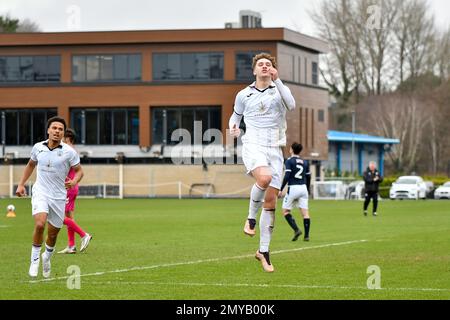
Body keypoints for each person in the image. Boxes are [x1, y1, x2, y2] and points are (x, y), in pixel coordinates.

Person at [229, 52, 296, 272]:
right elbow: (235, 116)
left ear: (273, 69)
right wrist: (233, 128)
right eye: (261, 64)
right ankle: (250, 219)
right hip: (253, 144)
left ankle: (263, 252)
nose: (265, 67)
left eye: (269, 64)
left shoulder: (279, 91)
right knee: (264, 178)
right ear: (254, 70)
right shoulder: (243, 94)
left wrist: (279, 80)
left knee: (271, 203)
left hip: (275, 148)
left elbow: (292, 105)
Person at [16, 116, 83, 278]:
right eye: (54, 128)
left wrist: (74, 181)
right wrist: (21, 184)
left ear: (63, 133)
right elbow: (31, 164)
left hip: (59, 196)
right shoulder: (38, 147)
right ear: (48, 130)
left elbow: (80, 171)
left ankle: (47, 257)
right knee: (40, 224)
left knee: (53, 234)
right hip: (41, 192)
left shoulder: (69, 152)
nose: (57, 131)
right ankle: (34, 259)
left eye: (60, 129)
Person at [58, 128, 92, 254]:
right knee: (68, 216)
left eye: (62, 137)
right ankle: (71, 246)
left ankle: (84, 235)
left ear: (67, 138)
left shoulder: (68, 151)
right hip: (70, 187)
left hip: (68, 187)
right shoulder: (70, 151)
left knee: (56, 216)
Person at [279, 142, 312, 242]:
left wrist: (281, 189)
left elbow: (287, 175)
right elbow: (309, 176)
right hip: (303, 188)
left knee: (285, 211)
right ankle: (306, 236)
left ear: (292, 149)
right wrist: (307, 188)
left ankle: (296, 230)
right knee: (305, 214)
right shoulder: (305, 161)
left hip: (293, 188)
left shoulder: (289, 161)